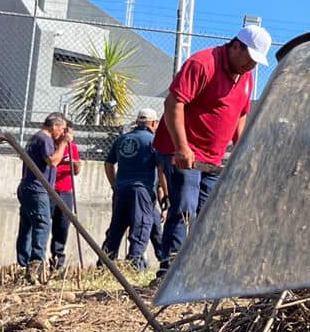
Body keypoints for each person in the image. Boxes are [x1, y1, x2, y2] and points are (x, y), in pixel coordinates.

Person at [152, 24, 271, 279]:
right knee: (185, 207)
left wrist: (242, 150)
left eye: (255, 63)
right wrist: (182, 147)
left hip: (212, 158)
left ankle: (197, 272)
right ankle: (170, 271)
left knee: (207, 213)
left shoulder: (246, 75)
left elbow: (241, 114)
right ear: (235, 46)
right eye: (248, 59)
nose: (250, 66)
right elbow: (174, 102)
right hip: (184, 151)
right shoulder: (203, 63)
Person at [102, 107, 162, 272]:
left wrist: (115, 185)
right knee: (142, 226)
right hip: (142, 191)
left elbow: (108, 163)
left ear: (137, 122)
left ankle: (105, 264)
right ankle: (134, 265)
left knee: (118, 227)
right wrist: (165, 192)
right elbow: (161, 168)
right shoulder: (153, 141)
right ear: (152, 123)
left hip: (121, 190)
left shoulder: (122, 139)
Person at [17, 112, 69, 281]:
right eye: (61, 129)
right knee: (42, 224)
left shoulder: (34, 138)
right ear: (54, 126)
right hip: (37, 189)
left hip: (27, 187)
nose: (61, 133)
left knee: (27, 226)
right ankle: (36, 262)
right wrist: (63, 144)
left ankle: (23, 262)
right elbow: (53, 161)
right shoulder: (44, 139)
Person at [48, 119, 82, 272]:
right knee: (43, 224)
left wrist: (76, 164)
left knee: (62, 226)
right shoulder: (50, 146)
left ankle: (58, 261)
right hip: (50, 189)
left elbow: (76, 171)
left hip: (66, 191)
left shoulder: (72, 147)